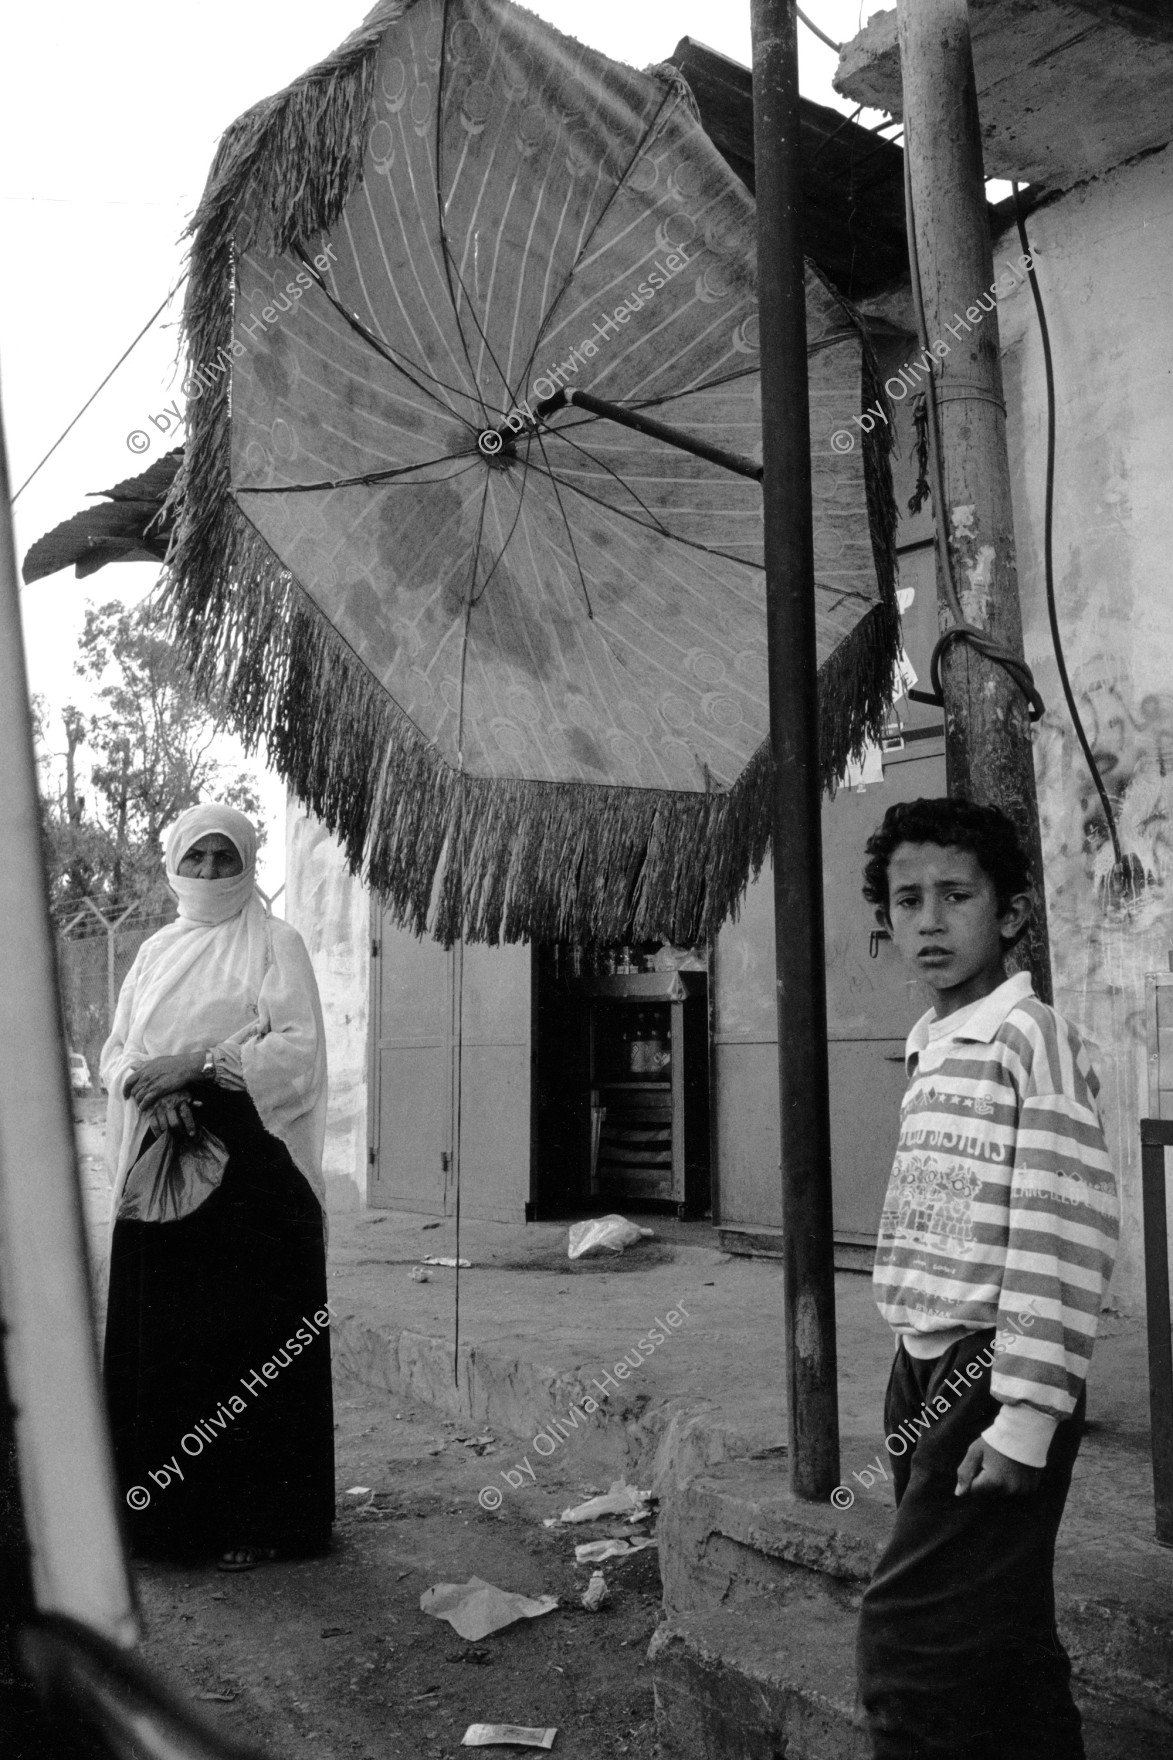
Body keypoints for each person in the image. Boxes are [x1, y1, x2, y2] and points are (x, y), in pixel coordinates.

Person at [854, 797, 1119, 1760]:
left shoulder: (1028, 1037)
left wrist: (1025, 1413)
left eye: (955, 896)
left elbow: (1065, 1227)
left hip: (992, 1368)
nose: (928, 919)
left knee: (909, 1648)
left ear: (1008, 915)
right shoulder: (935, 1042)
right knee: (995, 1632)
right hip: (921, 1364)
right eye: (906, 899)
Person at [101, 802, 334, 1570]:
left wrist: (199, 1065)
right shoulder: (157, 950)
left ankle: (259, 1520)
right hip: (159, 1156)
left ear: (246, 866)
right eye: (195, 858)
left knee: (248, 1341)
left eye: (223, 859)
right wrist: (146, 1082)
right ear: (174, 863)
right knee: (167, 1345)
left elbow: (296, 1048)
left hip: (250, 1170)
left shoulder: (274, 941)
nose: (207, 873)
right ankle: (170, 1524)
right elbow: (117, 1048)